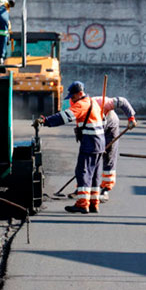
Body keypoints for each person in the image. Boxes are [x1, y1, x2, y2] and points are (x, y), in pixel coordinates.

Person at [38, 81, 105, 214]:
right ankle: (93, 203)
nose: (72, 100)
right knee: (94, 174)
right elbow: (103, 121)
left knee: (83, 172)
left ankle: (82, 204)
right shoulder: (94, 103)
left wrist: (46, 121)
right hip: (99, 142)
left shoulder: (82, 104)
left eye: (73, 97)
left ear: (80, 94)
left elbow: (65, 116)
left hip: (90, 143)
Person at [93, 95, 137, 201]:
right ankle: (88, 186)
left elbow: (122, 101)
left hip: (111, 126)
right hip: (95, 128)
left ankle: (105, 189)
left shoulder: (104, 103)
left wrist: (131, 118)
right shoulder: (79, 110)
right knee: (91, 155)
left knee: (109, 155)